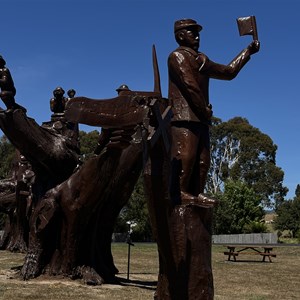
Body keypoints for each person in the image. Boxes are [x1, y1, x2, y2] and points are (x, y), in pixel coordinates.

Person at [168, 18, 260, 207]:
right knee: (187, 156)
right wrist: (204, 110)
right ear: (180, 36)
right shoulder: (177, 57)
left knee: (203, 161)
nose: (197, 36)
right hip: (185, 118)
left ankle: (198, 192)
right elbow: (189, 86)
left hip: (201, 119)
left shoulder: (201, 59)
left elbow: (228, 72)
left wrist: (247, 51)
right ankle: (181, 192)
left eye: (197, 32)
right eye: (192, 32)